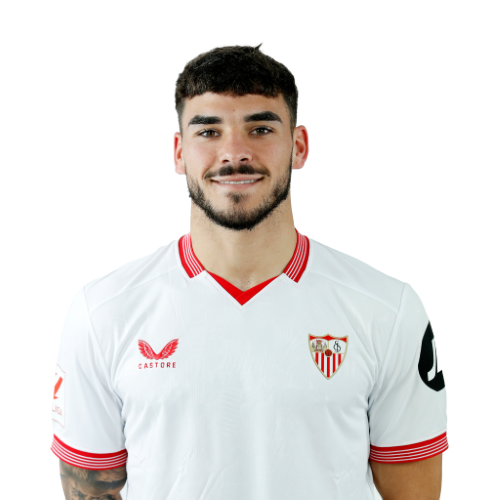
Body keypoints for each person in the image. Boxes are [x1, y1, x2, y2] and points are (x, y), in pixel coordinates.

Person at [51, 42, 449, 500]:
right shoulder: (102, 310)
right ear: (178, 153)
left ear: (299, 146)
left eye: (260, 129)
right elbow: (89, 488)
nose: (234, 152)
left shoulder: (388, 309)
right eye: (208, 131)